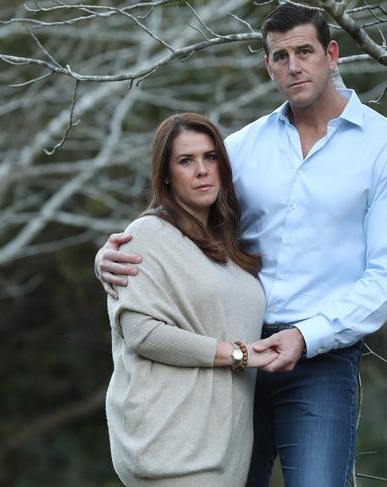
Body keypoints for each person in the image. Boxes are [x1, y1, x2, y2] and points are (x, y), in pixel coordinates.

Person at [96, 4, 387, 487]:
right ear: (268, 66)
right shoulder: (243, 147)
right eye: (280, 56)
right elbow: (184, 210)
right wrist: (108, 253)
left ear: (332, 54)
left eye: (305, 52)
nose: (294, 66)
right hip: (234, 350)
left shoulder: (385, 147)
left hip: (320, 356)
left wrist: (307, 337)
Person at [105, 112, 275, 487]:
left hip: (223, 453)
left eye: (210, 157)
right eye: (186, 160)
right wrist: (238, 354)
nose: (202, 170)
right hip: (172, 449)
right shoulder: (147, 235)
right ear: (165, 174)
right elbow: (142, 333)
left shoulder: (229, 247)